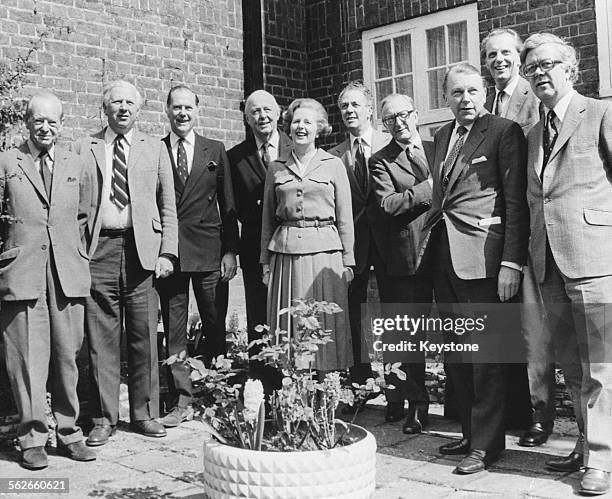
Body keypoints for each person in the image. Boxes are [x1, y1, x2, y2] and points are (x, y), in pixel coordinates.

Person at [418, 63, 529, 474]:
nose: (465, 100)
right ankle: (469, 432)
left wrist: (510, 261)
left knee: (487, 357)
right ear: (445, 98)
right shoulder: (443, 135)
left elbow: (514, 201)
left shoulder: (503, 131)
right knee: (458, 356)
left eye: (471, 91)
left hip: (484, 260)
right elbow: (441, 199)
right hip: (445, 259)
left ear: (484, 93)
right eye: (456, 93)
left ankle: (486, 446)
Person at [521, 32, 612, 495]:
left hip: (595, 257)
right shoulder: (532, 134)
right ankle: (583, 441)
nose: (539, 73)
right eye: (531, 68)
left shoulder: (599, 113)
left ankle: (601, 458)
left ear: (570, 68)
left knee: (601, 363)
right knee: (571, 365)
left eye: (548, 64)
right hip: (548, 264)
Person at [0, 91, 96, 469]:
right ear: (26, 122)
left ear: (62, 123)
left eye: (52, 121)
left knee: (68, 357)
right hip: (22, 274)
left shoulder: (77, 163)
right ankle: (32, 437)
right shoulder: (8, 161)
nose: (45, 127)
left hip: (66, 273)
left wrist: (78, 256)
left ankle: (70, 432)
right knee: (26, 359)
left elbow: (86, 216)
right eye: (38, 120)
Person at [82, 80, 178, 446]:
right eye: (116, 102)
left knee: (143, 336)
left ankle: (145, 413)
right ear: (104, 107)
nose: (123, 108)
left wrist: (168, 252)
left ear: (139, 110)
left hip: (143, 252)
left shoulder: (154, 148)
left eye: (130, 103)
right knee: (100, 338)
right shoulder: (85, 146)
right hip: (100, 251)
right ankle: (103, 418)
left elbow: (167, 205)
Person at [481, 27, 554, 444]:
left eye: (506, 52)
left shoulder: (533, 98)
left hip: (537, 228)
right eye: (491, 55)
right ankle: (523, 411)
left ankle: (542, 416)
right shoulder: (489, 100)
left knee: (538, 330)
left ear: (519, 56)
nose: (499, 60)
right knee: (517, 330)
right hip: (506, 230)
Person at [157, 85, 238, 427]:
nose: (183, 113)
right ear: (167, 111)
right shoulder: (157, 150)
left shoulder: (215, 150)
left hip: (209, 250)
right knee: (174, 329)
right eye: (176, 107)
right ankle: (182, 398)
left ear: (197, 110)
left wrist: (230, 251)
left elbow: (229, 205)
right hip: (172, 253)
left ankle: (218, 390)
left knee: (215, 322)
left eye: (188, 107)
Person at [260, 98, 355, 371]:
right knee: (289, 325)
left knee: (325, 324)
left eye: (308, 122)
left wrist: (348, 262)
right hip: (285, 256)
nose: (301, 127)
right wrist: (265, 262)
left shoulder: (333, 164)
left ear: (319, 128)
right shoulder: (276, 167)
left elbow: (345, 216)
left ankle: (327, 397)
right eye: (296, 122)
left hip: (325, 255)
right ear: (288, 128)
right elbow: (267, 219)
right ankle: (294, 398)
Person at [369, 93, 433, 433]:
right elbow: (389, 205)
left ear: (417, 114)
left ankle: (461, 404)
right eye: (390, 118)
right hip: (409, 258)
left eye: (404, 114)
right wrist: (430, 188)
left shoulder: (439, 147)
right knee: (410, 336)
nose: (399, 122)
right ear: (384, 125)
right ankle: (416, 405)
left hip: (447, 253)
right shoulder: (381, 161)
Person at [328, 82, 389, 399]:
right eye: (344, 107)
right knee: (352, 312)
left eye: (355, 105)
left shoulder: (390, 143)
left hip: (391, 240)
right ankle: (360, 381)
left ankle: (396, 387)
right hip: (353, 243)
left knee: (395, 313)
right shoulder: (333, 156)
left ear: (369, 109)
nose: (349, 111)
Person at [228, 90, 291, 388]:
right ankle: (262, 385)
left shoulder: (298, 147)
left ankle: (293, 380)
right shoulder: (234, 157)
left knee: (292, 312)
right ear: (246, 117)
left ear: (278, 113)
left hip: (293, 244)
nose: (262, 116)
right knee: (258, 316)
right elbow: (230, 209)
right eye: (255, 112)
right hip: (255, 248)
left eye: (267, 110)